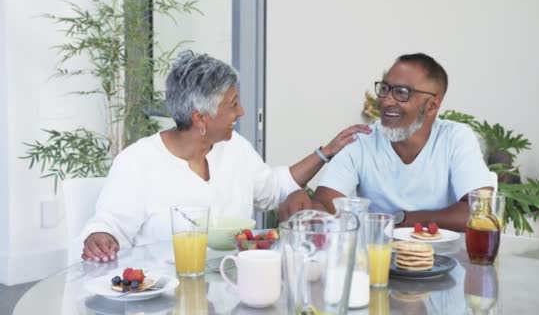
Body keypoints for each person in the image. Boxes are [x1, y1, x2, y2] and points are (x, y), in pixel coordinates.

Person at [80, 51, 371, 262]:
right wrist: (100, 238)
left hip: (237, 282)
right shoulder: (138, 161)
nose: (241, 112)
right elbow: (108, 224)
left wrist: (326, 152)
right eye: (233, 104)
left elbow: (274, 188)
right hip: (166, 294)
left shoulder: (235, 149)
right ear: (200, 117)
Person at [281, 53, 491, 231]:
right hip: (379, 264)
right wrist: (304, 204)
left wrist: (406, 220)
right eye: (384, 89)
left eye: (402, 93)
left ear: (432, 105)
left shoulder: (455, 138)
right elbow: (327, 207)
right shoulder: (361, 140)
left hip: (447, 265)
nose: (387, 101)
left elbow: (480, 212)